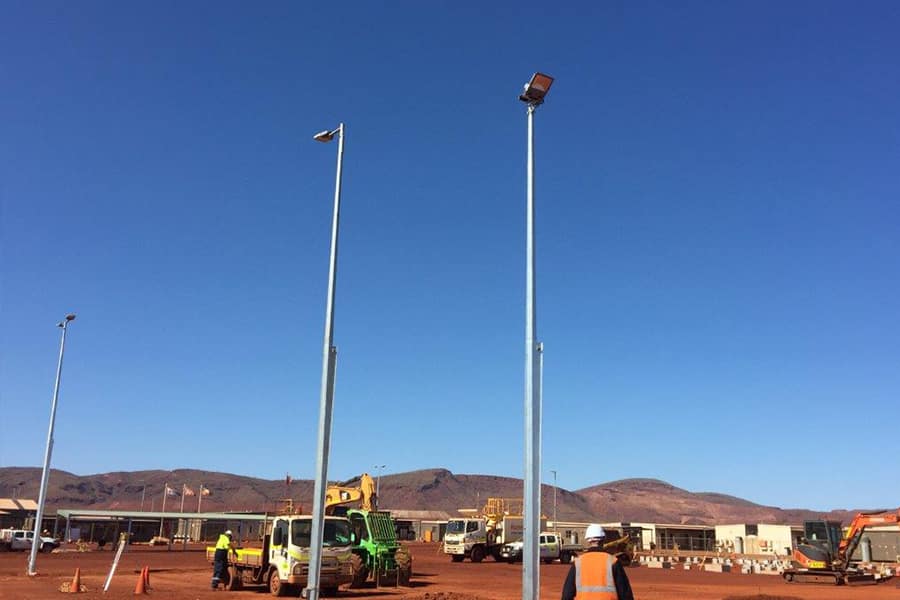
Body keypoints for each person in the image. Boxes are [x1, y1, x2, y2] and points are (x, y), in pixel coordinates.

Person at [561, 524, 634, 600]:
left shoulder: (578, 563)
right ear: (603, 540)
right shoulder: (613, 562)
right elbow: (625, 594)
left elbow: (567, 595)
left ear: (588, 541)